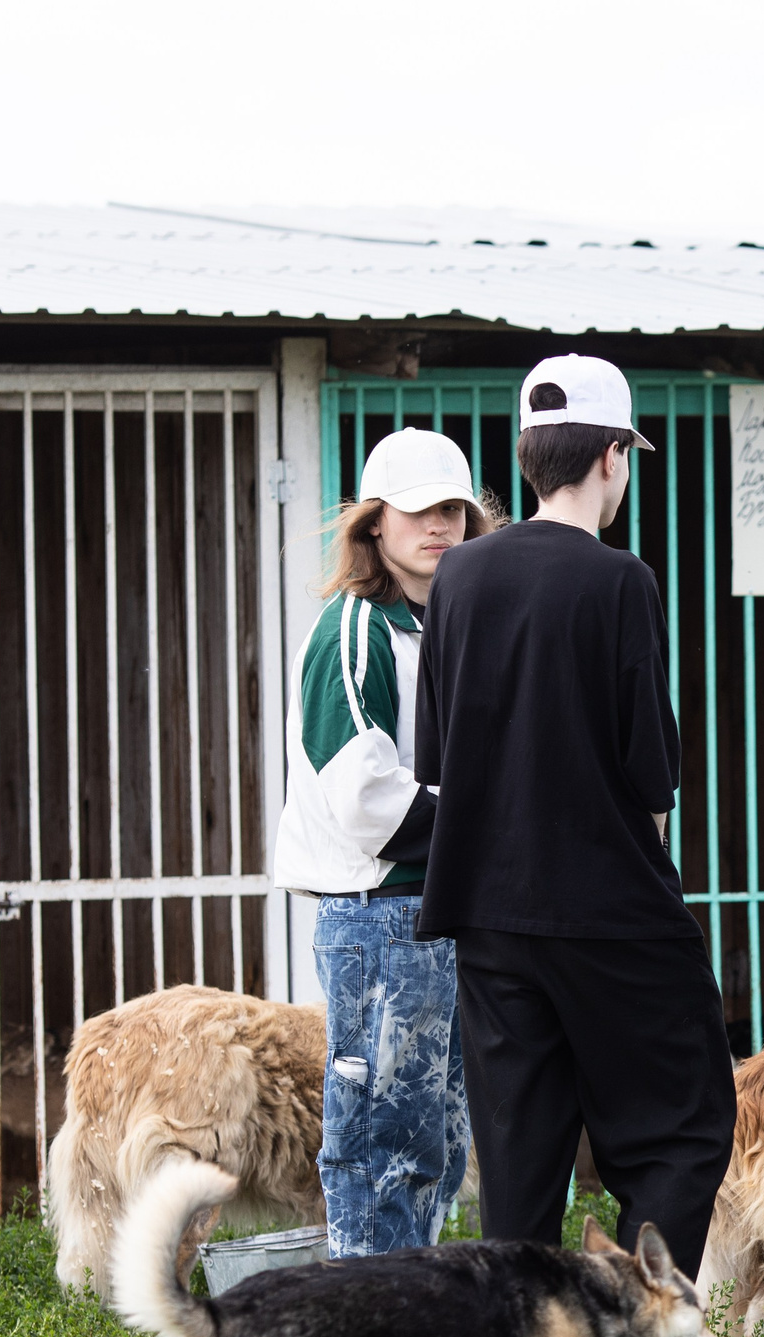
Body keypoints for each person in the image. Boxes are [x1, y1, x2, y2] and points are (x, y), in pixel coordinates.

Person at [411, 355, 736, 1277]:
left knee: (519, 1158)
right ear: (610, 458)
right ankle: (633, 1330)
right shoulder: (621, 580)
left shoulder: (458, 576)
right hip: (611, 910)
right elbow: (650, 771)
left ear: (530, 456)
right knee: (684, 1126)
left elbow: (435, 758)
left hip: (487, 912)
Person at [272, 427, 494, 1256]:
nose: (439, 525)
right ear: (374, 524)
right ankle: (367, 1326)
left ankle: (408, 1323)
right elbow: (366, 799)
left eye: (453, 509)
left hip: (441, 910)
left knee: (437, 1146)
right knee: (381, 1150)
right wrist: (496, 818)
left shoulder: (449, 625)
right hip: (382, 915)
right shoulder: (355, 628)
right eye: (417, 510)